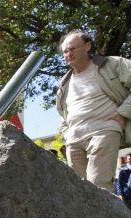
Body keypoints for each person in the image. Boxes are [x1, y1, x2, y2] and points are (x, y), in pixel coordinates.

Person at [56, 29, 131, 191]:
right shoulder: (63, 84)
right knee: (81, 193)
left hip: (104, 132)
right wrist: (66, 134)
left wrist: (122, 113)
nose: (68, 54)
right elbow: (63, 115)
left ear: (87, 46)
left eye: (72, 48)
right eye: (65, 51)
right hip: (74, 141)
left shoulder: (112, 64)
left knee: (99, 187)